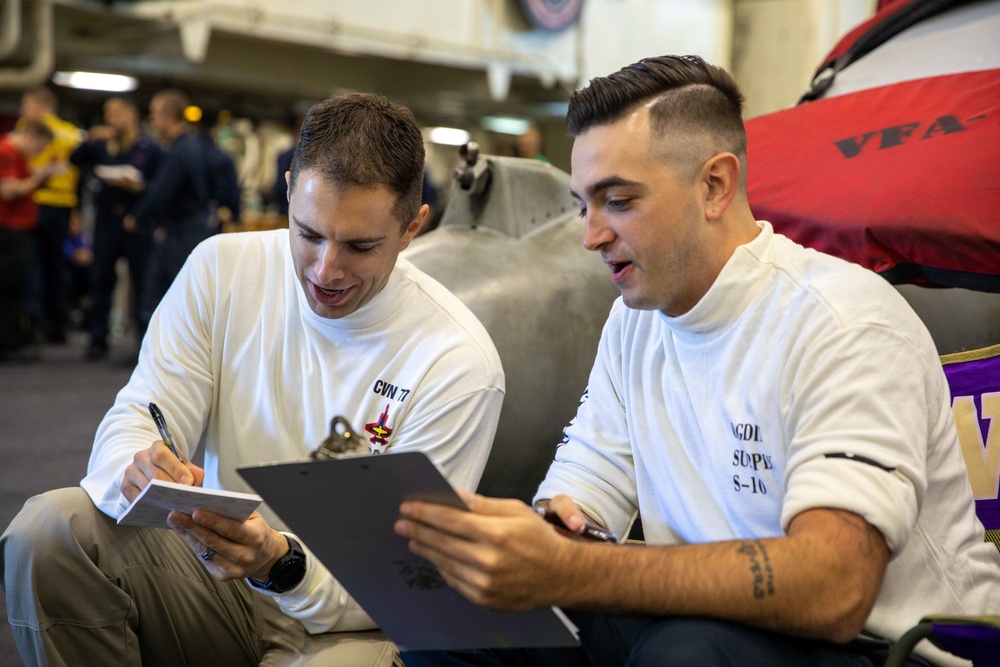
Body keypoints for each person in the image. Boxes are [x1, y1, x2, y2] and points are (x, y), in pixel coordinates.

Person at [394, 55, 1000, 667]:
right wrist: (522, 540)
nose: (591, 236)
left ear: (715, 185)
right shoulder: (637, 321)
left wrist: (576, 568)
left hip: (893, 647)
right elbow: (588, 485)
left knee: (684, 653)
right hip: (708, 627)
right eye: (583, 205)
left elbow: (836, 588)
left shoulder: (843, 324)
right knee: (456, 625)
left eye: (619, 201)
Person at [1, 92, 505, 666]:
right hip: (214, 574)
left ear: (414, 227)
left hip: (349, 617)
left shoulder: (456, 361)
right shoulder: (221, 269)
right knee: (47, 532)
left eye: (361, 246)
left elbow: (399, 584)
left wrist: (278, 562)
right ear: (289, 190)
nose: (325, 271)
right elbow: (140, 413)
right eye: (308, 234)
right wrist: (136, 464)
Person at [71, 96, 163, 360]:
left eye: (116, 114)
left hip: (136, 221)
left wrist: (139, 188)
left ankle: (143, 342)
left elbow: (159, 186)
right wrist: (89, 139)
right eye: (107, 114)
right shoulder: (100, 143)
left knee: (142, 281)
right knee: (100, 278)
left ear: (132, 115)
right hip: (106, 220)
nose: (111, 120)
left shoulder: (149, 148)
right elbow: (74, 160)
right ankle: (97, 338)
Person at [131, 88, 211, 327]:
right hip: (189, 227)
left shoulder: (180, 151)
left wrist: (137, 217)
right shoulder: (192, 147)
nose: (152, 119)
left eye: (155, 113)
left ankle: (159, 359)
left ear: (169, 115)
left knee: (163, 295)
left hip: (182, 232)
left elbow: (162, 192)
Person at [18, 86, 80, 344]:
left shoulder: (35, 132)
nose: (24, 111)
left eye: (27, 104)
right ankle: (57, 324)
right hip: (59, 206)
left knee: (37, 266)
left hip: (40, 203)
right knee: (56, 265)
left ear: (39, 106)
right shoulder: (71, 133)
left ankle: (39, 323)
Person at [0, 120, 56, 362]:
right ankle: (7, 344)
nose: (39, 153)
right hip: (8, 231)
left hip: (16, 231)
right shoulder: (7, 152)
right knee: (9, 289)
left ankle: (11, 340)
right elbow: (9, 191)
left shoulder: (15, 155)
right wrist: (40, 176)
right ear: (31, 136)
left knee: (16, 288)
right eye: (40, 146)